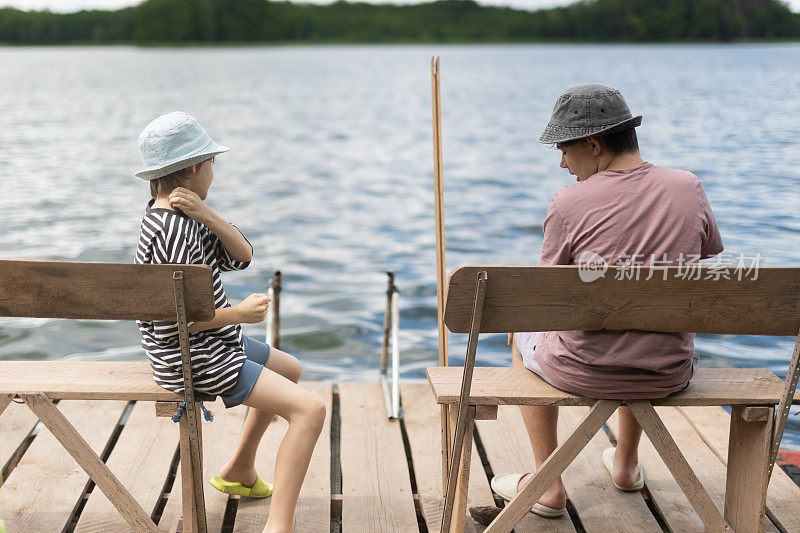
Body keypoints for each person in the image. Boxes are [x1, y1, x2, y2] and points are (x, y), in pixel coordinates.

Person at [490, 84, 724, 517]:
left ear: (593, 144)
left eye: (564, 149)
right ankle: (625, 463)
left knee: (521, 326)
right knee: (646, 322)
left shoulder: (568, 202)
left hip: (584, 371)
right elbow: (709, 253)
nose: (562, 163)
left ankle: (547, 484)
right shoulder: (689, 187)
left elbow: (544, 297)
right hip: (667, 370)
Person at [134, 111, 325, 533]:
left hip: (210, 343)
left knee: (290, 369)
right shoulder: (174, 232)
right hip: (189, 356)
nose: (214, 173)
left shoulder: (179, 216)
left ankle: (240, 468)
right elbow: (172, 326)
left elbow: (242, 255)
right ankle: (279, 526)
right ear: (192, 167)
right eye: (212, 164)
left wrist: (208, 215)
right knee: (311, 411)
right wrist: (239, 314)